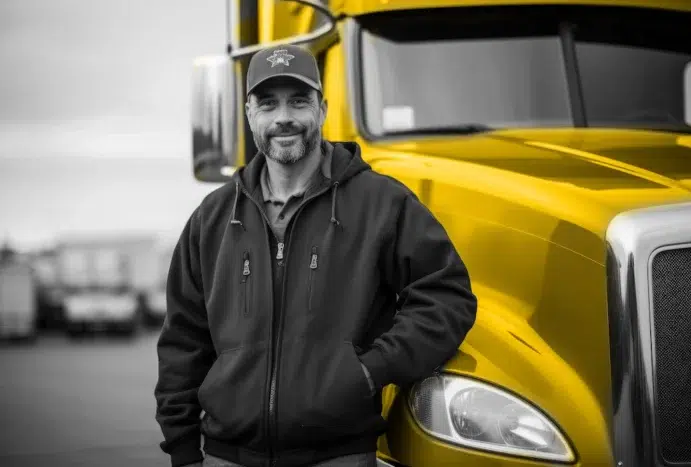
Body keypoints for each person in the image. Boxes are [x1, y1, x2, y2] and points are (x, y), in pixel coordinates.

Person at [154, 44, 478, 467]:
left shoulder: (382, 203)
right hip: (225, 456)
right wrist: (182, 447)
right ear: (249, 114)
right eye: (268, 104)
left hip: (339, 456)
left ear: (322, 109)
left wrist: (372, 369)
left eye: (299, 101)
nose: (283, 117)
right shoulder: (212, 219)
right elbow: (184, 339)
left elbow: (447, 297)